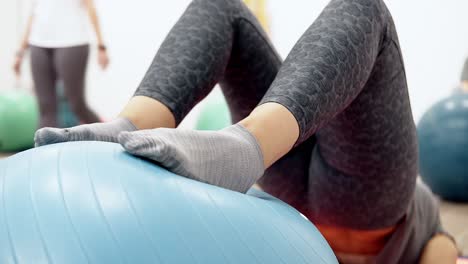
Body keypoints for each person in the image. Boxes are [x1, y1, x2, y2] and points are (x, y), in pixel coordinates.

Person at [34, 0, 459, 263]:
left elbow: (442, 248)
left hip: (346, 205)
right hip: (296, 190)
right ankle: (134, 125)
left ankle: (247, 145)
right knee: (221, 6)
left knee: (365, 7)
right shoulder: (424, 202)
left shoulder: (429, 217)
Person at [13, 0, 109, 128]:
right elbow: (34, 13)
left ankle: (107, 134)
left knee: (77, 105)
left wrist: (101, 46)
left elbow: (90, 7)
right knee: (45, 107)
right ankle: (45, 146)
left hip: (72, 41)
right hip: (38, 43)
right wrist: (20, 52)